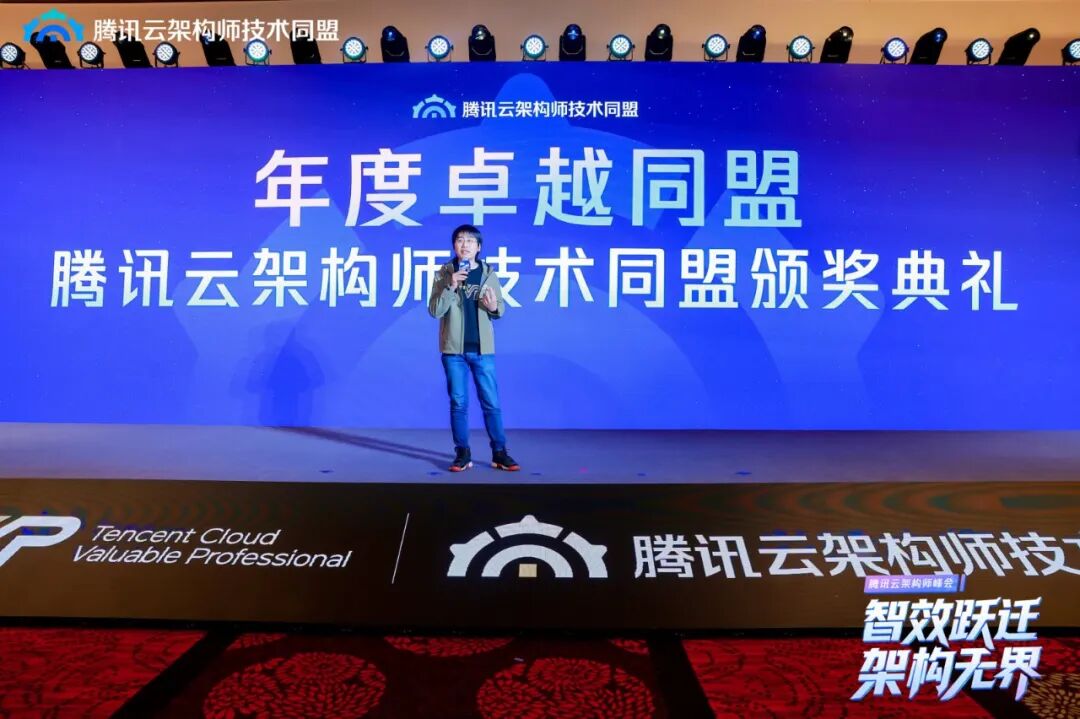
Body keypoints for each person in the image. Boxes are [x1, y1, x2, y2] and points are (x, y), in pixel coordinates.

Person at [428, 224, 520, 472]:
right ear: (454, 246)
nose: (465, 245)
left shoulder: (489, 273)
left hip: (482, 350)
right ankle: (462, 454)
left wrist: (493, 307)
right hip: (453, 352)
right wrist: (451, 286)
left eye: (470, 241)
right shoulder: (444, 273)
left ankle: (500, 453)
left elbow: (499, 308)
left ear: (478, 247)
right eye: (460, 240)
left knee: (491, 402)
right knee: (458, 404)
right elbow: (435, 310)